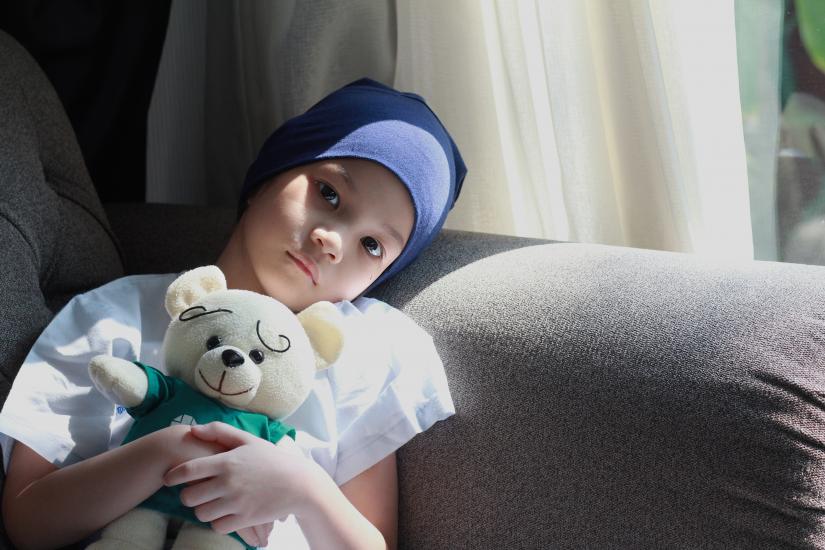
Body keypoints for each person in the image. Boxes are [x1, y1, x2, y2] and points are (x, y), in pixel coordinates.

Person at [0, 78, 467, 549]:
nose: (333, 241)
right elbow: (28, 519)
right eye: (329, 193)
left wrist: (304, 489)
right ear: (268, 176)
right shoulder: (113, 319)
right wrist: (169, 449)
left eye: (371, 244)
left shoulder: (360, 357)